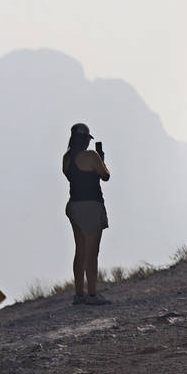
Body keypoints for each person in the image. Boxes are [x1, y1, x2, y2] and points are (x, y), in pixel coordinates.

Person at [62, 122, 111, 305]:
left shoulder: (66, 158)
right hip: (90, 207)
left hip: (73, 206)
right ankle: (92, 295)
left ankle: (79, 295)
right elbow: (105, 176)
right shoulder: (91, 156)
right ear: (85, 140)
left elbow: (71, 176)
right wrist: (101, 161)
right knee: (92, 253)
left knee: (80, 252)